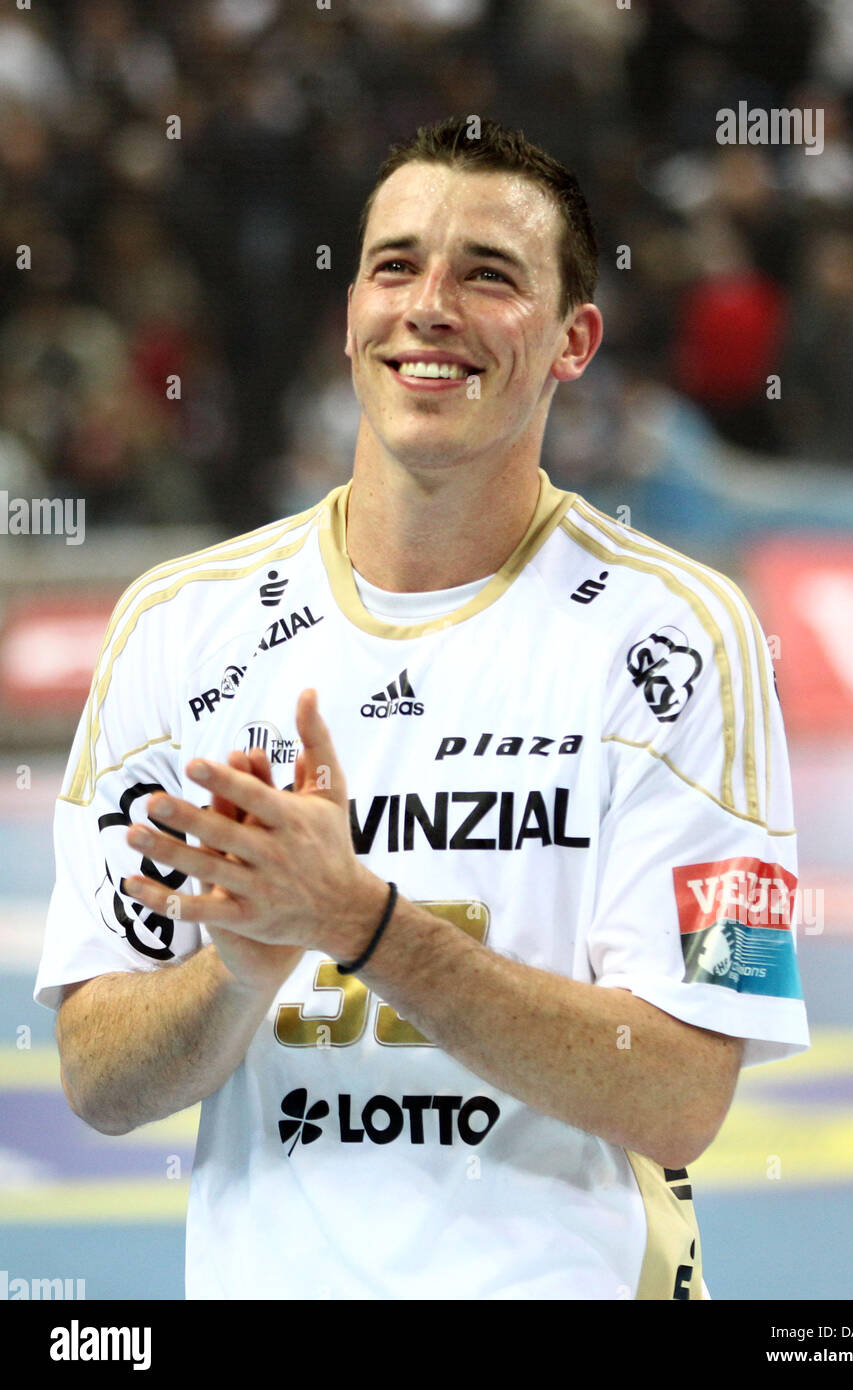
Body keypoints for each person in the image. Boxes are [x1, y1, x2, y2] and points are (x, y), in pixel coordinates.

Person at [36, 116, 809, 1300]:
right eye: (395, 264)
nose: (429, 305)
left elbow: (681, 1094)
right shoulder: (177, 627)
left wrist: (362, 926)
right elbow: (99, 1078)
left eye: (489, 275)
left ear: (573, 340)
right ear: (351, 312)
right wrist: (238, 970)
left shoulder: (680, 640)